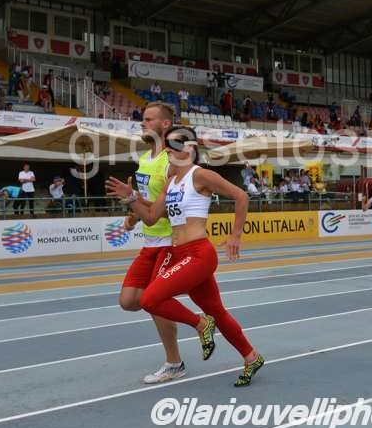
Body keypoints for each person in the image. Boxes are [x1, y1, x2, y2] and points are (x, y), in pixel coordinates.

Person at [106, 126, 265, 387]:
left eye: (174, 145)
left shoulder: (200, 175)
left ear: (190, 148)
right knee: (217, 312)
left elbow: (241, 196)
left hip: (199, 254)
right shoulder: (171, 181)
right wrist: (132, 198)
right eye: (167, 145)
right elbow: (151, 216)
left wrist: (235, 235)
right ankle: (252, 357)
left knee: (150, 299)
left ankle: (201, 325)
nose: (168, 149)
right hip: (180, 254)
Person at [115, 102, 187, 384]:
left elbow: (175, 206)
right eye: (142, 118)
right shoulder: (145, 158)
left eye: (148, 119)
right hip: (149, 241)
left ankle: (174, 363)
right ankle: (188, 315)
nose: (142, 123)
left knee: (154, 300)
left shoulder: (172, 160)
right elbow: (146, 200)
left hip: (170, 241)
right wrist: (134, 215)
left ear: (165, 124)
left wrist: (135, 202)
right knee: (129, 300)